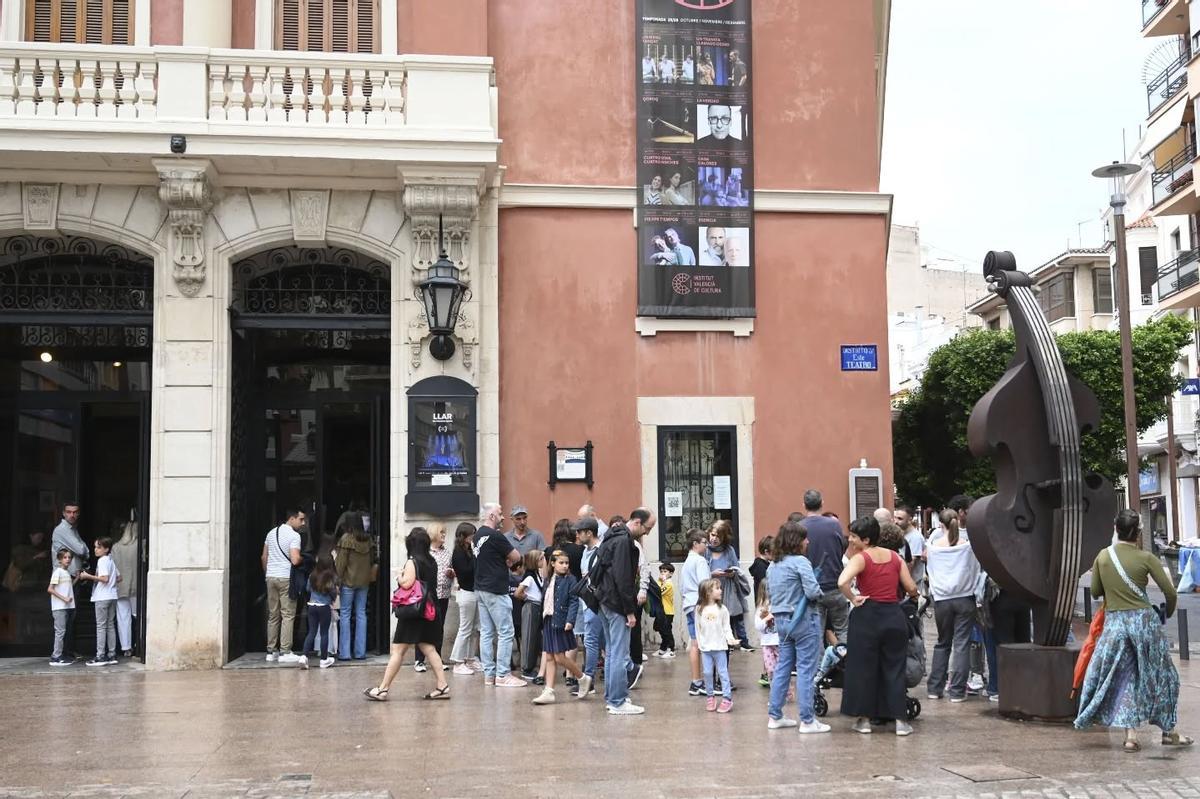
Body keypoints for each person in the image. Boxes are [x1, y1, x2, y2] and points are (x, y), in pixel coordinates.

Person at [1075, 509, 1192, 752]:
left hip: (1116, 625)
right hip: (1144, 623)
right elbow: (1170, 593)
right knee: (1162, 676)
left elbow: (1096, 591)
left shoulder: (1103, 557)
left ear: (1115, 528)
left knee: (1125, 676)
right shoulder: (1146, 558)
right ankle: (1169, 731)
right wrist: (1166, 613)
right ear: (1138, 533)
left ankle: (1131, 736)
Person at [838, 515, 920, 736]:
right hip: (893, 615)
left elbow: (841, 582)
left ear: (865, 539)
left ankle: (863, 721)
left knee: (864, 669)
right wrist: (914, 595)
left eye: (854, 536)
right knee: (894, 668)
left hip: (867, 616)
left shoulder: (861, 558)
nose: (851, 540)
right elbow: (911, 586)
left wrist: (853, 598)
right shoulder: (895, 557)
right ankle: (901, 722)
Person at [364, 528, 450, 701]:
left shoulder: (412, 562)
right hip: (428, 611)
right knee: (429, 648)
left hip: (413, 614)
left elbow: (407, 584)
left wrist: (399, 577)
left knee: (398, 650)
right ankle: (442, 685)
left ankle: (382, 689)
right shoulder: (431, 561)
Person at [766, 521, 828, 733]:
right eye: (804, 538)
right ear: (796, 541)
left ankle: (775, 715)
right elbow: (812, 592)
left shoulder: (773, 565)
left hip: (782, 622)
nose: (807, 541)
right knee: (805, 670)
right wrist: (821, 594)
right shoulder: (801, 562)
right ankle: (808, 721)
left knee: (783, 666)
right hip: (803, 620)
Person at [593, 508, 656, 715]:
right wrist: (629, 611)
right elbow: (623, 579)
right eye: (647, 528)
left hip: (604, 601)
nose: (647, 533)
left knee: (612, 652)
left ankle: (613, 698)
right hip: (615, 603)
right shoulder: (624, 542)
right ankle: (618, 701)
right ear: (637, 522)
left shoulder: (611, 537)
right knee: (619, 654)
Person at [925, 508, 981, 702]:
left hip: (942, 600)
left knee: (942, 643)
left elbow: (929, 570)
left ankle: (935, 688)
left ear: (941, 525)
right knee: (962, 645)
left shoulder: (932, 547)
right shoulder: (967, 546)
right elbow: (975, 570)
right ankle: (957, 691)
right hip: (965, 598)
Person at [473, 503, 525, 687]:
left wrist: (503, 560)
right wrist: (507, 561)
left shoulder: (477, 535)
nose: (503, 518)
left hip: (480, 587)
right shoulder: (496, 536)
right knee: (506, 631)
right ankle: (503, 674)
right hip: (496, 588)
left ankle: (490, 674)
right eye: (500, 514)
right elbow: (517, 556)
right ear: (492, 516)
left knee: (487, 632)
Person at [532, 550, 585, 705]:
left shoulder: (570, 580)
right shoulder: (548, 579)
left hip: (561, 622)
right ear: (553, 564)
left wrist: (570, 620)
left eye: (566, 563)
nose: (564, 566)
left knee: (560, 657)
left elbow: (574, 600)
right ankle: (549, 691)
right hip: (549, 620)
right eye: (561, 563)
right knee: (549, 656)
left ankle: (581, 677)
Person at [798, 491, 850, 644]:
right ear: (822, 503)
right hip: (835, 583)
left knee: (816, 634)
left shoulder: (800, 527)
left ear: (804, 505)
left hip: (812, 587)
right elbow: (842, 547)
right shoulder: (834, 524)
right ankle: (845, 662)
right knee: (843, 629)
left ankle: (820, 667)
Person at [262, 509, 304, 663]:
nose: (303, 523)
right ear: (291, 518)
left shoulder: (271, 533)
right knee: (287, 614)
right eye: (301, 519)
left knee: (273, 615)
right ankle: (285, 651)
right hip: (285, 577)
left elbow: (264, 556)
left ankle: (270, 651)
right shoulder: (294, 536)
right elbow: (294, 559)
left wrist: (268, 573)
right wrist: (302, 560)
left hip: (271, 577)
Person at [695, 578, 739, 713]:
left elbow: (727, 627)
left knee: (723, 673)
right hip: (706, 648)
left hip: (720, 647)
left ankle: (727, 698)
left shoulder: (722, 609)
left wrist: (730, 639)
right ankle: (710, 696)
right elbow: (698, 628)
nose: (721, 590)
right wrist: (700, 643)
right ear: (708, 592)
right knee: (707, 673)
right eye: (717, 588)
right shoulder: (699, 609)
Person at [333, 512, 373, 661]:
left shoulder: (346, 539)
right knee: (361, 614)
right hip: (364, 582)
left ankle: (345, 653)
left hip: (348, 582)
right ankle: (360, 652)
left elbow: (340, 564)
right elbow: (371, 561)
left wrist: (337, 580)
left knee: (345, 615)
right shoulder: (367, 539)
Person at [706, 519, 751, 652]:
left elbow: (736, 568)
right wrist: (712, 573)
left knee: (735, 613)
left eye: (718, 536)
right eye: (712, 535)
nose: (714, 539)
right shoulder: (706, 550)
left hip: (729, 587)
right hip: (711, 589)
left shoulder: (729, 550)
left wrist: (731, 574)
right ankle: (722, 642)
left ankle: (742, 641)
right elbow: (702, 572)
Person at [50, 502, 88, 659]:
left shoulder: (73, 530)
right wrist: (82, 550)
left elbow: (84, 550)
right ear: (63, 514)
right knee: (65, 618)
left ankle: (67, 651)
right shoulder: (63, 530)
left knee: (71, 617)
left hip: (73, 578)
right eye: (69, 512)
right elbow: (82, 550)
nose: (72, 515)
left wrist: (83, 550)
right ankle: (61, 653)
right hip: (64, 579)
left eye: (75, 512)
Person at [677, 528, 712, 696]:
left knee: (694, 643)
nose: (707, 545)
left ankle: (696, 681)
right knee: (704, 644)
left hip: (689, 604)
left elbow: (682, 586)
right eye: (705, 542)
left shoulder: (687, 562)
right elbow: (705, 585)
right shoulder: (699, 561)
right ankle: (706, 681)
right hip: (700, 604)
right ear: (695, 544)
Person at [78, 536, 120, 666]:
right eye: (95, 547)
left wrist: (87, 576)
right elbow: (119, 578)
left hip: (102, 597)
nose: (95, 550)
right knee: (110, 625)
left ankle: (100, 655)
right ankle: (112, 654)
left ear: (106, 549)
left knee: (101, 626)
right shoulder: (111, 561)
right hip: (112, 596)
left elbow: (105, 578)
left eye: (99, 547)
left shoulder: (102, 561)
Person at [575, 517, 604, 697]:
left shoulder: (600, 551)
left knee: (591, 641)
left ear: (589, 533)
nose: (576, 535)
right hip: (587, 603)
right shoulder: (585, 551)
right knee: (603, 642)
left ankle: (589, 680)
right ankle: (631, 667)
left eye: (579, 532)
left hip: (595, 603)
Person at [449, 522, 481, 675]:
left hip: (474, 591)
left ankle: (470, 658)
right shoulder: (458, 553)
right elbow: (466, 572)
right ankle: (458, 661)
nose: (473, 538)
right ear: (464, 536)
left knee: (474, 628)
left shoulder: (468, 550)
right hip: (466, 593)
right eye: (471, 535)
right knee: (465, 628)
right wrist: (475, 556)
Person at [300, 554, 336, 670]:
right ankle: (324, 660)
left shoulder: (312, 575)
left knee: (312, 632)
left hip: (312, 605)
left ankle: (304, 656)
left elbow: (307, 588)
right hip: (324, 606)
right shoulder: (330, 577)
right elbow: (332, 592)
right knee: (324, 633)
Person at [516, 549, 547, 682]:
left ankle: (531, 665)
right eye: (540, 559)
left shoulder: (536, 575)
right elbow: (518, 593)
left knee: (534, 637)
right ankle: (526, 668)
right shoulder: (529, 576)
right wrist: (527, 597)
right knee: (528, 637)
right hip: (531, 607)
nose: (543, 561)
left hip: (537, 607)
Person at [47, 548, 76, 666]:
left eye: (69, 557)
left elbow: (67, 587)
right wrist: (64, 598)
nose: (68, 559)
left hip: (66, 606)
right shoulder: (57, 572)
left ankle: (59, 655)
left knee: (63, 631)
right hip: (59, 607)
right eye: (65, 557)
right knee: (60, 631)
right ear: (59, 559)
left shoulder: (66, 573)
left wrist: (78, 578)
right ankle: (56, 656)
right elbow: (50, 589)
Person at [753, 581, 777, 689]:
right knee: (770, 669)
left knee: (782, 669)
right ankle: (774, 693)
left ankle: (785, 690)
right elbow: (758, 626)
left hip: (779, 642)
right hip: (767, 643)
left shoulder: (778, 605)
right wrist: (766, 619)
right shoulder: (760, 609)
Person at [896, 507, 925, 591]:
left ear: (909, 520)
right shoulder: (901, 534)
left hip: (912, 585)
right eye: (895, 517)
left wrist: (904, 583)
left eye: (900, 519)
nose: (896, 521)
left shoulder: (915, 538)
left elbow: (911, 563)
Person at [654, 562, 676, 657]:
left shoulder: (668, 584)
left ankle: (671, 650)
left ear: (671, 573)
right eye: (661, 571)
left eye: (665, 571)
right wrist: (660, 581)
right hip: (661, 611)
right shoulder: (663, 583)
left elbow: (657, 592)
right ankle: (663, 649)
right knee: (660, 629)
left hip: (667, 612)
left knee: (666, 631)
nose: (663, 573)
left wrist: (659, 581)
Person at [749, 535, 772, 600]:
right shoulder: (760, 566)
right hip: (763, 601)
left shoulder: (760, 564)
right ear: (766, 552)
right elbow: (765, 586)